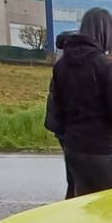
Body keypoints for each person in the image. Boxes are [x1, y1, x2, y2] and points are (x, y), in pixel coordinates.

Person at [43, 8, 112, 196]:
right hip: (103, 150)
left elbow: (57, 109)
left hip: (73, 149)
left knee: (82, 203)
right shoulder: (106, 67)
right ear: (105, 34)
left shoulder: (61, 65)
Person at [45, 31, 73, 196]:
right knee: (75, 174)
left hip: (61, 126)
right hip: (66, 127)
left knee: (72, 171)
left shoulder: (61, 64)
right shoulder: (66, 66)